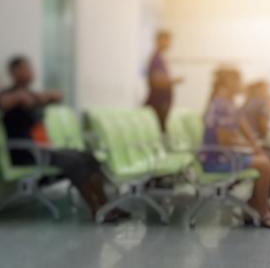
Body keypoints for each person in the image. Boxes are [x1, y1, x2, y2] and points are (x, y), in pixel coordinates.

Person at [0, 56, 128, 223]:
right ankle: (96, 209)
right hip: (26, 153)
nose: (30, 71)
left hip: (43, 149)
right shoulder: (9, 94)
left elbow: (57, 96)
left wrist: (37, 97)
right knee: (74, 162)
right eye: (25, 68)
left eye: (30, 67)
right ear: (14, 72)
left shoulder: (32, 94)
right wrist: (26, 97)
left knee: (88, 157)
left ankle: (107, 205)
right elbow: (7, 101)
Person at [202, 67, 270, 229]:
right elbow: (224, 141)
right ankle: (261, 211)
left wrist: (253, 146)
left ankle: (257, 203)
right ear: (228, 83)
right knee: (266, 165)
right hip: (217, 160)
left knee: (267, 160)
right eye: (238, 81)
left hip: (225, 155)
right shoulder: (220, 106)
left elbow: (242, 126)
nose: (241, 84)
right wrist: (248, 147)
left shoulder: (229, 103)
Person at [144, 30, 183, 132]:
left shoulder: (161, 59)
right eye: (166, 40)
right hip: (157, 105)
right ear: (159, 41)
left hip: (162, 106)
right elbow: (156, 81)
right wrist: (174, 81)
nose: (169, 43)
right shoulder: (156, 59)